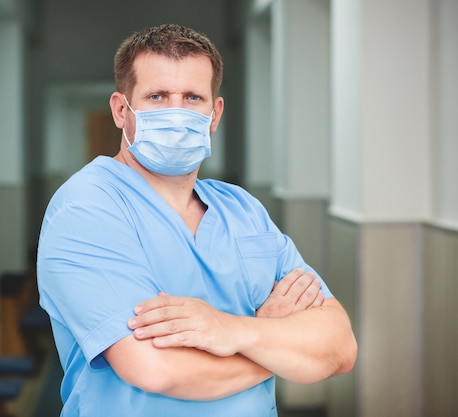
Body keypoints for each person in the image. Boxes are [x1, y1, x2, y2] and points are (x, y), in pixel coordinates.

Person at [36, 23, 357, 417]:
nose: (176, 112)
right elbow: (155, 369)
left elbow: (339, 347)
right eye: (157, 96)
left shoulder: (243, 210)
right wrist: (275, 344)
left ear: (214, 113)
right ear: (122, 110)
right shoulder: (87, 208)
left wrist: (233, 330)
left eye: (192, 97)